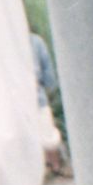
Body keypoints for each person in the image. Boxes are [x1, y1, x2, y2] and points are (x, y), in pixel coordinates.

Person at [31, 33, 67, 176]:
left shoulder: (35, 41)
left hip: (36, 94)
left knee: (48, 133)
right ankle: (47, 166)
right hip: (16, 98)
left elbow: (48, 72)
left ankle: (55, 165)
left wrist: (49, 87)